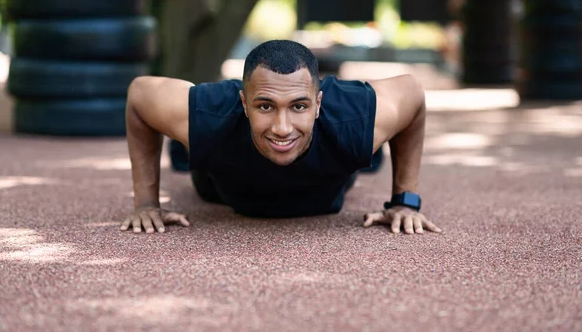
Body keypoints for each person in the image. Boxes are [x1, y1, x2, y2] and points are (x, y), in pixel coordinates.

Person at [119, 39, 442, 235]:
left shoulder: (353, 122)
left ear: (318, 103)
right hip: (223, 182)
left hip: (328, 175)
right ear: (244, 103)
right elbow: (139, 94)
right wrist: (147, 203)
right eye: (265, 106)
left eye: (298, 106)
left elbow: (411, 92)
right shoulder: (210, 116)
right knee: (188, 148)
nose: (282, 127)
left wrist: (404, 202)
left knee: (363, 153)